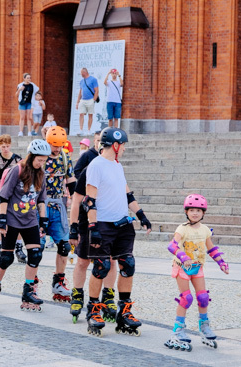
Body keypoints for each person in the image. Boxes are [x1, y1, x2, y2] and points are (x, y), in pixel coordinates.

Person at [84, 127, 152, 337]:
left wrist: (141, 215)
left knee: (128, 265)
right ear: (115, 145)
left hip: (123, 225)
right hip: (103, 224)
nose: (123, 149)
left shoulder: (117, 165)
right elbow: (89, 200)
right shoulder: (96, 165)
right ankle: (94, 310)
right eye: (122, 145)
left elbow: (127, 194)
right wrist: (93, 227)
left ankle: (124, 312)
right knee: (102, 266)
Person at [0, 139, 50, 312]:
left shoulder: (41, 174)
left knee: (36, 255)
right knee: (6, 257)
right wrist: (1, 218)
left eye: (44, 160)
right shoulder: (18, 170)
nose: (41, 163)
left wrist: (43, 220)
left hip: (30, 221)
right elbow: (4, 196)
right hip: (12, 219)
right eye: (39, 160)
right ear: (31, 156)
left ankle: (28, 290)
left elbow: (42, 200)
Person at [164, 194, 230, 351]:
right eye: (192, 210)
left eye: (198, 210)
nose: (195, 213)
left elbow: (211, 248)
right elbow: (172, 246)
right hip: (182, 267)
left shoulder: (205, 230)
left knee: (203, 297)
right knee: (186, 298)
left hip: (197, 267)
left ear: (203, 213)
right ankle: (178, 331)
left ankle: (204, 326)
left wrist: (221, 262)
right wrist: (183, 256)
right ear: (186, 212)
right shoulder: (182, 229)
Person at [68, 149, 119, 325]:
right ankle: (77, 294)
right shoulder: (89, 171)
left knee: (111, 261)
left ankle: (108, 295)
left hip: (109, 222)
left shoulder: (115, 168)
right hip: (87, 222)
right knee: (83, 261)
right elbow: (76, 201)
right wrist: (73, 227)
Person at [42, 126, 76, 303]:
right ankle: (30, 285)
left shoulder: (64, 157)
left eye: (60, 145)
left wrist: (80, 199)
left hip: (58, 204)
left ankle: (58, 283)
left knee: (64, 247)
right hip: (40, 205)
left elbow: (70, 181)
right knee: (36, 249)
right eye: (53, 145)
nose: (56, 149)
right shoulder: (40, 157)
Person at [0, 134, 26, 264]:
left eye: (7, 146)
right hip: (0, 192)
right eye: (3, 147)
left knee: (17, 219)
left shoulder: (18, 159)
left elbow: (24, 173)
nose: (5, 149)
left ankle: (18, 247)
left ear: (10, 145)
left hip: (14, 192)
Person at [76, 68, 99, 136]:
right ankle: (81, 130)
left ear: (84, 72)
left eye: (81, 73)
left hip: (90, 99)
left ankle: (89, 130)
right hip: (83, 99)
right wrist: (77, 102)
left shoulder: (93, 79)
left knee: (90, 115)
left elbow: (96, 90)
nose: (81, 74)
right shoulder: (81, 81)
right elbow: (80, 92)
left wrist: (93, 100)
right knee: (81, 114)